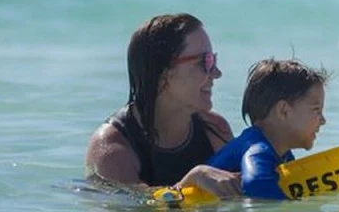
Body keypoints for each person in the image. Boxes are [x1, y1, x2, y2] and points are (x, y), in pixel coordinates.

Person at [85, 13, 242, 198]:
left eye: (213, 60)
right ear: (163, 73)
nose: (217, 73)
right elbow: (132, 209)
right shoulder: (113, 147)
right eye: (205, 62)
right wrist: (190, 181)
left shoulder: (215, 130)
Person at [207, 58, 329, 200]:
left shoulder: (283, 153)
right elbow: (255, 184)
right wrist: (293, 211)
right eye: (316, 110)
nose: (323, 120)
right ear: (283, 111)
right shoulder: (257, 149)